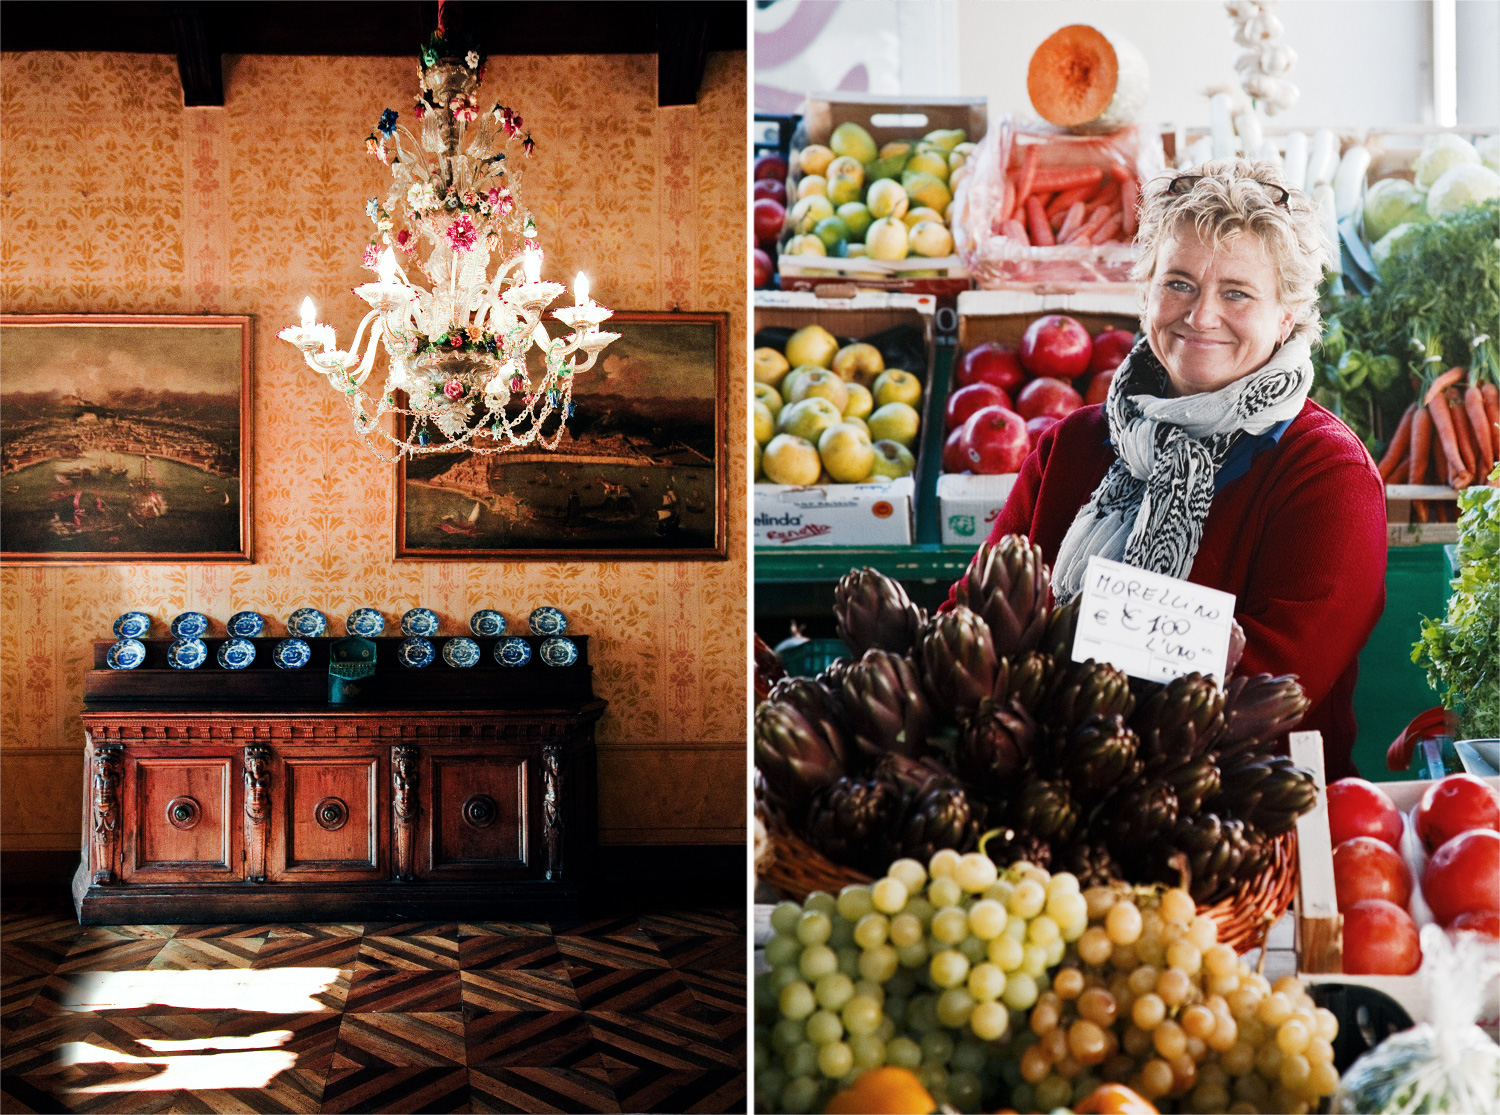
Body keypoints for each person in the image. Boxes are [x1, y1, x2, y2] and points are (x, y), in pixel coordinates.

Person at [957, 159, 1387, 780]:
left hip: (1244, 802)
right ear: (1146, 291)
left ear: (1286, 315)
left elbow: (1277, 683)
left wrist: (1058, 665)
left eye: (1237, 293)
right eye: (1179, 283)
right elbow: (973, 614)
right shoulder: (1073, 445)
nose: (1201, 315)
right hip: (1039, 785)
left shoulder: (1327, 474)